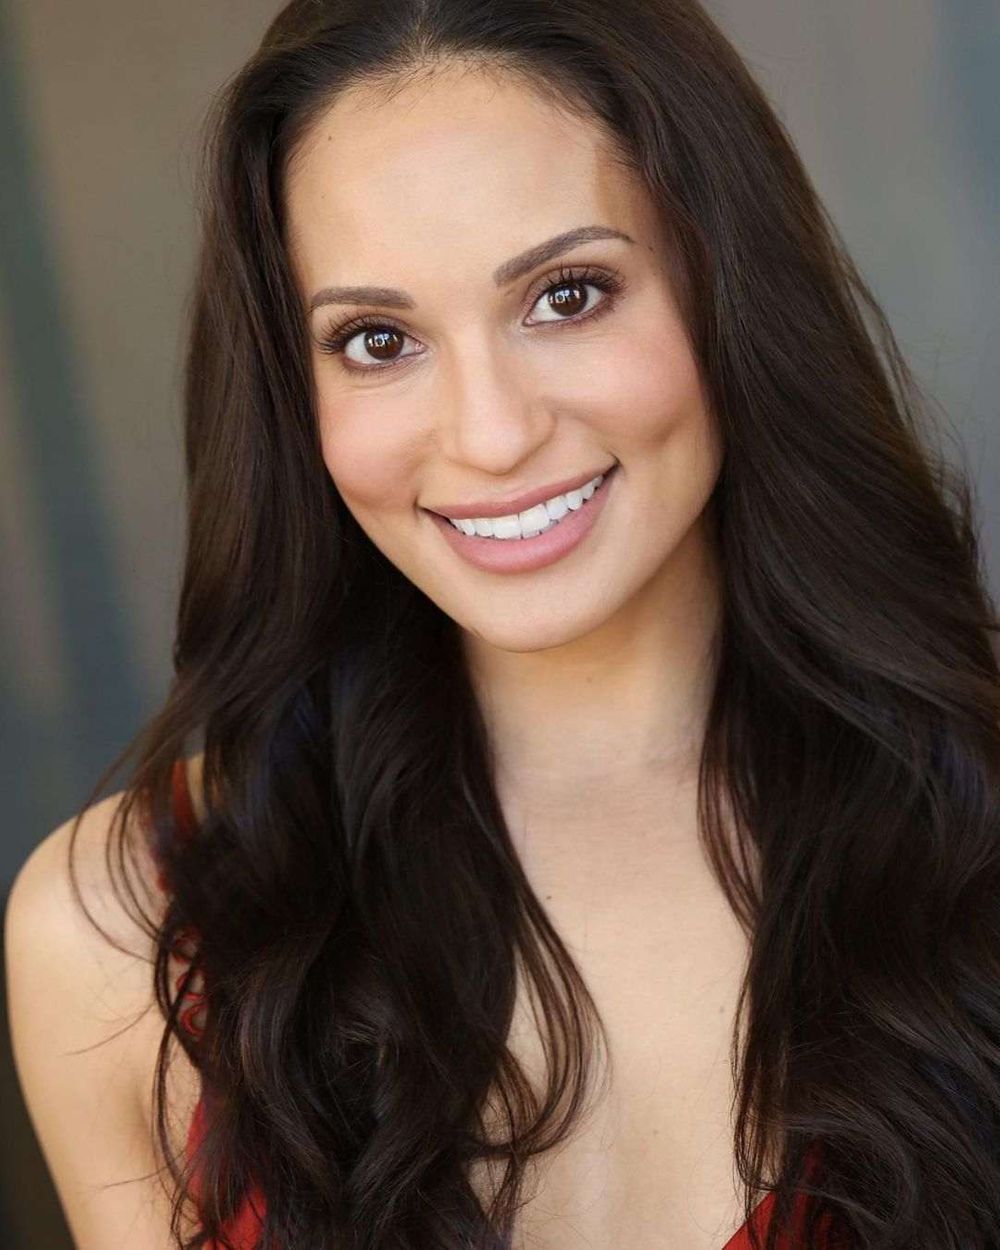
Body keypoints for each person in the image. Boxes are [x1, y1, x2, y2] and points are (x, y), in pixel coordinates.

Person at [6, 0, 999, 1247]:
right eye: (377, 340)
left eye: (568, 294)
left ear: (727, 286)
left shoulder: (970, 813)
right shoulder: (119, 932)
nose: (490, 434)